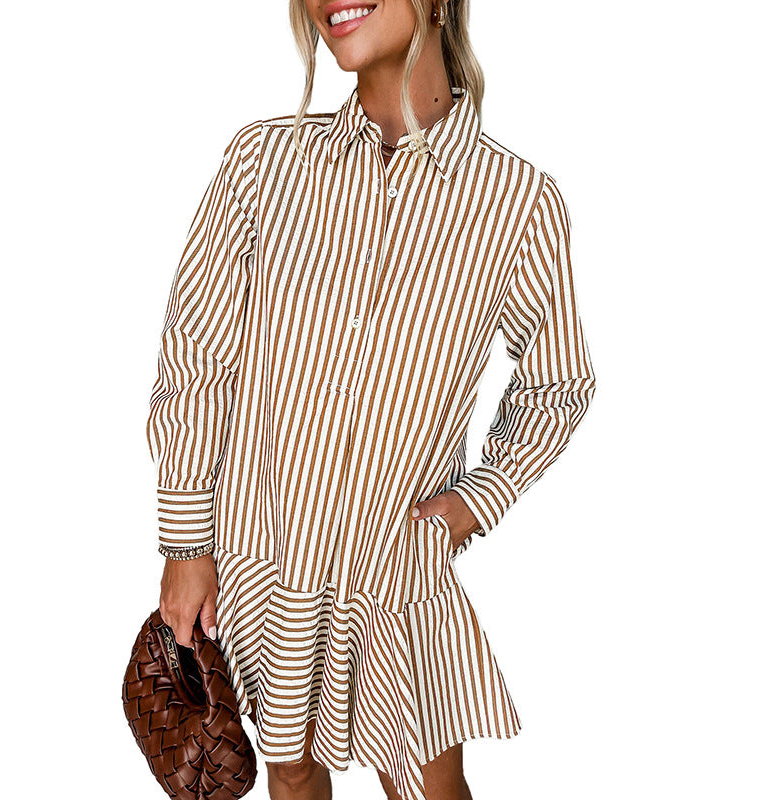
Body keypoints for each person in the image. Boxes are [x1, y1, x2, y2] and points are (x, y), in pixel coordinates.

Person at [146, 1, 597, 798]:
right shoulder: (263, 164)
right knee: (292, 773)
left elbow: (558, 383)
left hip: (396, 572)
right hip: (267, 553)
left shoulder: (518, 202)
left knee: (426, 784)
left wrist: (474, 502)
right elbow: (196, 354)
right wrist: (186, 546)